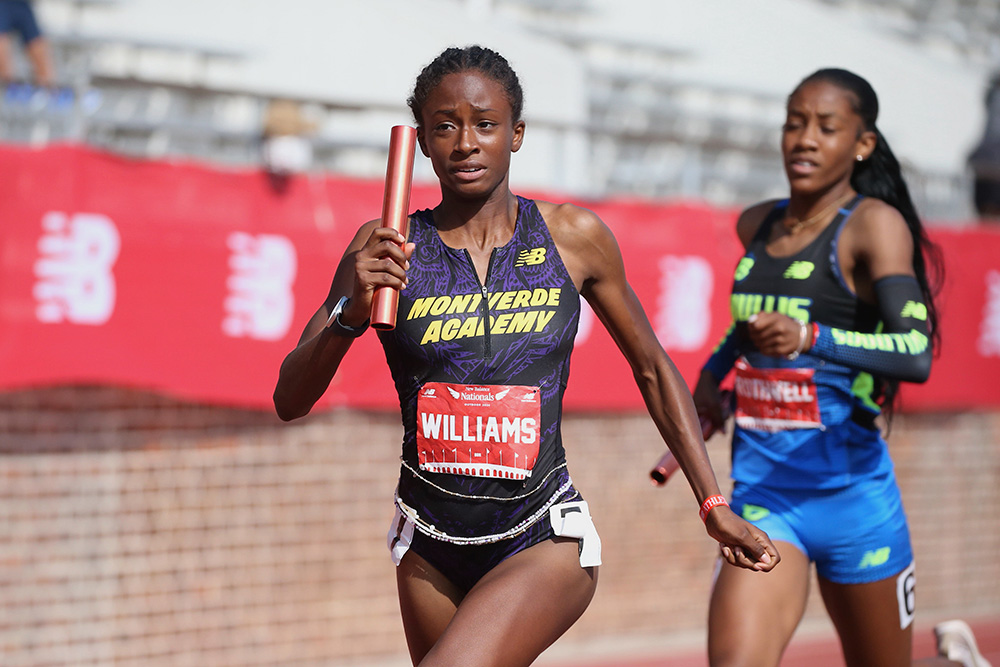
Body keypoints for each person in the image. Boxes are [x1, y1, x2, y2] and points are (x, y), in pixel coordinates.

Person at [273, 45, 779, 666]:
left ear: (515, 135)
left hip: (542, 534)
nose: (465, 143)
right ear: (424, 142)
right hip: (429, 546)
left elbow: (651, 366)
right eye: (445, 126)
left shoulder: (574, 238)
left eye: (485, 125)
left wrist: (712, 503)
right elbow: (289, 398)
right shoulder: (387, 246)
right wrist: (350, 312)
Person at [694, 68, 989, 667]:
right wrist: (712, 379)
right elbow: (746, 327)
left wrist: (811, 337)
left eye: (826, 128)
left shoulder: (874, 226)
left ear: (862, 144)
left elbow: (917, 354)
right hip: (765, 501)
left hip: (854, 501)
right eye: (794, 123)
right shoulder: (755, 223)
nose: (804, 139)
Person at [0, 0, 55, 88]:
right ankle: (8, 86)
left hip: (22, 5)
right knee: (2, 46)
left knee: (39, 48)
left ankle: (48, 90)